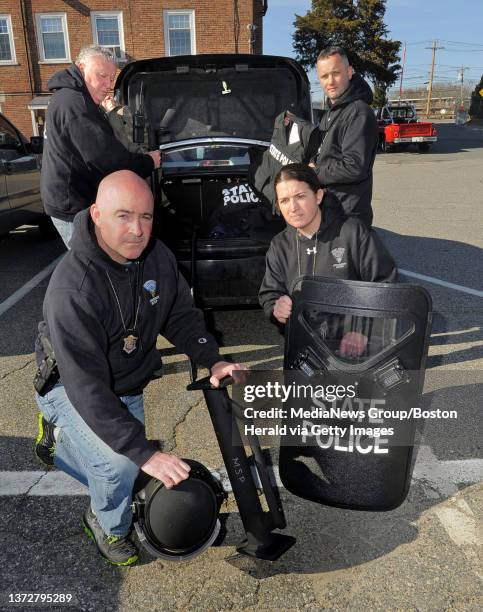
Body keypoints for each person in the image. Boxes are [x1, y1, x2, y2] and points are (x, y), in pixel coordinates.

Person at [34, 170, 247, 566]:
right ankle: (104, 525)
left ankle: (63, 446)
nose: (137, 230)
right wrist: (141, 453)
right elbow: (87, 387)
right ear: (96, 214)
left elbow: (181, 316)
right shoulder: (72, 288)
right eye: (123, 216)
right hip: (71, 388)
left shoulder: (156, 257)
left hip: (126, 384)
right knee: (121, 464)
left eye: (146, 217)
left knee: (128, 463)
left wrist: (213, 359)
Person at [258, 164, 396, 358]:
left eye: (300, 196)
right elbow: (269, 293)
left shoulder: (353, 232)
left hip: (359, 349)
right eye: (284, 201)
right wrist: (275, 307)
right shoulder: (279, 245)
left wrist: (363, 331)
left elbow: (386, 285)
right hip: (304, 351)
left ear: (318, 196)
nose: (293, 208)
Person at [41, 45, 161, 247]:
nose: (108, 84)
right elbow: (107, 159)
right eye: (102, 76)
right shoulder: (76, 104)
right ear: (81, 68)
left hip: (71, 198)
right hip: (72, 205)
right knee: (90, 264)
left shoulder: (73, 98)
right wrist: (149, 161)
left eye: (111, 78)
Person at [311, 46, 379, 227]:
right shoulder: (332, 112)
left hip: (348, 216)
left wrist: (314, 173)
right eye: (324, 76)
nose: (330, 81)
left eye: (336, 73)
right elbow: (327, 153)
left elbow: (354, 167)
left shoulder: (358, 112)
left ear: (349, 72)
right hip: (330, 210)